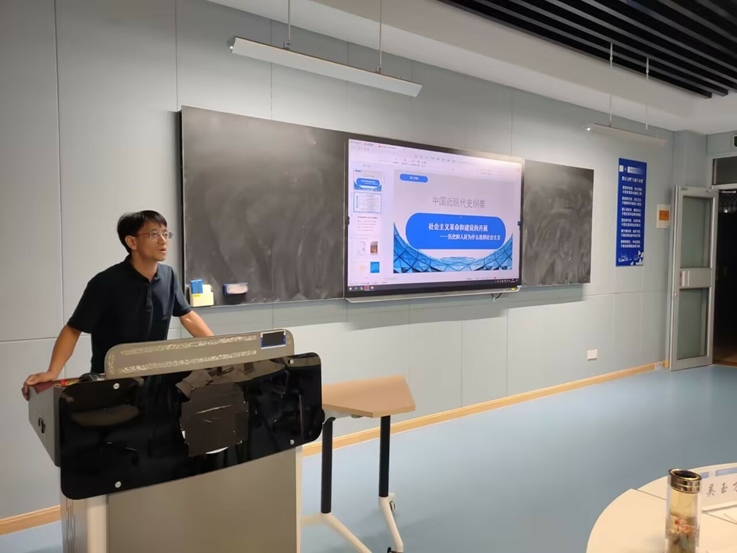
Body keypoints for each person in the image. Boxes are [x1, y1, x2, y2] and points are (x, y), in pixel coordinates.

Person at [22, 210, 214, 399]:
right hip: (112, 384)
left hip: (155, 380)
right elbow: (73, 330)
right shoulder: (105, 282)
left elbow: (187, 316)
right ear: (132, 242)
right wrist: (52, 372)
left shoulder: (168, 276)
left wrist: (221, 352)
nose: (163, 240)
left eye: (165, 233)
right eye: (153, 234)